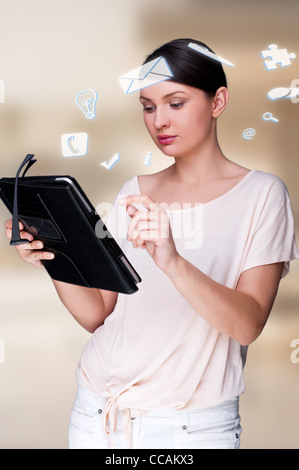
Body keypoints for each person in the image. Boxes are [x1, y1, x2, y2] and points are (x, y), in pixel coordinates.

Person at [4, 38, 299, 449]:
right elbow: (98, 315)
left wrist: (173, 261)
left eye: (175, 103)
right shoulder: (134, 191)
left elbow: (247, 325)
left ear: (218, 101)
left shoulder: (263, 195)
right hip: (97, 416)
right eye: (148, 106)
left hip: (191, 431)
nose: (159, 120)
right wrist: (53, 255)